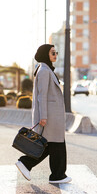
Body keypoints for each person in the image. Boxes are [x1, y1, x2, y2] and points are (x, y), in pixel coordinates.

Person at [15, 44, 72, 184]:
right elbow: (42, 95)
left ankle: (56, 174)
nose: (55, 55)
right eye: (52, 52)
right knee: (54, 145)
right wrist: (43, 116)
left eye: (56, 52)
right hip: (51, 116)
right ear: (45, 54)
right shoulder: (44, 70)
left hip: (53, 116)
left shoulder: (46, 69)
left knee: (52, 145)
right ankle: (54, 174)